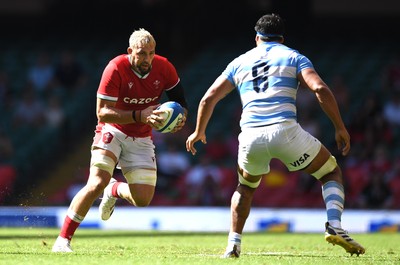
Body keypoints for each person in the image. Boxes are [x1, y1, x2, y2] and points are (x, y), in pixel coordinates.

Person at [186, 13, 365, 258]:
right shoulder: (293, 56)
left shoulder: (239, 61)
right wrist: (339, 127)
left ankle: (233, 245)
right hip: (285, 131)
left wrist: (199, 131)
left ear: (257, 37)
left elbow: (209, 97)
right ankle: (334, 224)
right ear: (281, 37)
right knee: (330, 172)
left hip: (250, 136)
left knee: (245, 187)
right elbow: (320, 88)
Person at [52, 28, 188, 252]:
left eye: (151, 53)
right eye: (142, 53)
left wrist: (180, 120)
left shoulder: (165, 67)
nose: (147, 59)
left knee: (143, 199)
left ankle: (113, 190)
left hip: (142, 136)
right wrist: (139, 114)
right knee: (96, 182)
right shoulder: (115, 67)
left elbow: (180, 102)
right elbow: (102, 112)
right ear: (130, 51)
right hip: (112, 130)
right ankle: (63, 240)